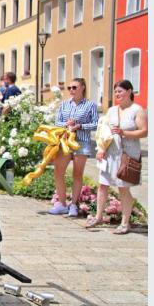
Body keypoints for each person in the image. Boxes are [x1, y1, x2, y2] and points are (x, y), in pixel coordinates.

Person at [85, 80, 148, 234]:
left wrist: (124, 133)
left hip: (127, 155)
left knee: (123, 187)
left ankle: (125, 223)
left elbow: (144, 131)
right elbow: (103, 131)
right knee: (103, 184)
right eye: (115, 92)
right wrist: (101, 149)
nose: (117, 94)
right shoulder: (112, 110)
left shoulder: (137, 110)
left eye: (120, 91)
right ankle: (99, 217)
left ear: (129, 91)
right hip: (110, 153)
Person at [50, 78, 99, 217]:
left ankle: (74, 205)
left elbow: (96, 124)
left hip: (81, 142)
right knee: (58, 172)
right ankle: (62, 204)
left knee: (77, 174)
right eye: (69, 87)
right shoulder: (64, 104)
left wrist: (79, 125)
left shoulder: (90, 105)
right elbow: (57, 122)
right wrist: (66, 124)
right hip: (65, 141)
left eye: (74, 87)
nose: (71, 90)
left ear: (82, 87)